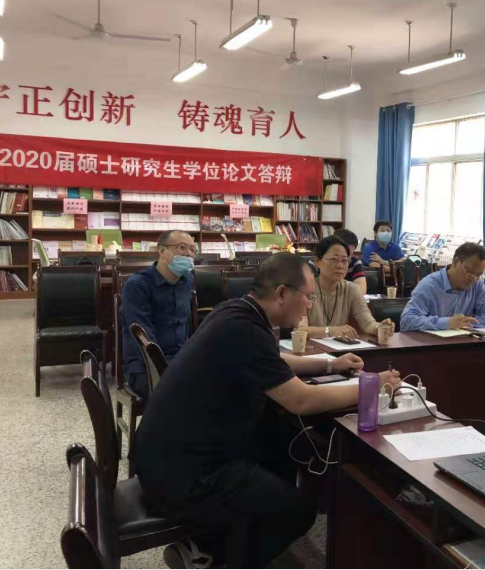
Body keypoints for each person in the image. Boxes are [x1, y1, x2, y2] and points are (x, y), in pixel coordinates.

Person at [135, 253, 401, 568]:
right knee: (297, 511)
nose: (308, 306)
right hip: (183, 475)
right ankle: (214, 558)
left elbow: (274, 359)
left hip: (168, 455)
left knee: (278, 441)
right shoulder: (245, 329)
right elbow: (300, 400)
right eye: (307, 297)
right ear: (281, 293)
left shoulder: (236, 312)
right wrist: (372, 385)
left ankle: (214, 539)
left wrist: (331, 363)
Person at [120, 229, 195, 400]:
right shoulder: (137, 285)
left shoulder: (187, 281)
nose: (188, 254)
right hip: (146, 366)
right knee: (190, 393)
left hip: (181, 358)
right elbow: (143, 338)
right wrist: (169, 368)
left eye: (192, 249)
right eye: (182, 247)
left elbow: (185, 326)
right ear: (161, 251)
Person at [297, 236, 391, 339]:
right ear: (317, 261)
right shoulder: (304, 290)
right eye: (334, 259)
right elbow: (300, 330)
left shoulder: (351, 289)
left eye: (344, 260)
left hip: (338, 347)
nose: (340, 266)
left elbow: (367, 323)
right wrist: (329, 331)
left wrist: (379, 328)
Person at [401, 242, 485, 331]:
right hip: (429, 344)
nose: (473, 279)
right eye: (470, 273)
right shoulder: (429, 285)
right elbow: (407, 321)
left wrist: (463, 323)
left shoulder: (477, 285)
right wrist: (447, 323)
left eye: (478, 275)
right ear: (456, 262)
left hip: (461, 342)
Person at [333, 228, 367, 295]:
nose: (346, 260)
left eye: (349, 255)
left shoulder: (354, 262)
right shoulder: (322, 261)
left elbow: (362, 290)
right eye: (343, 255)